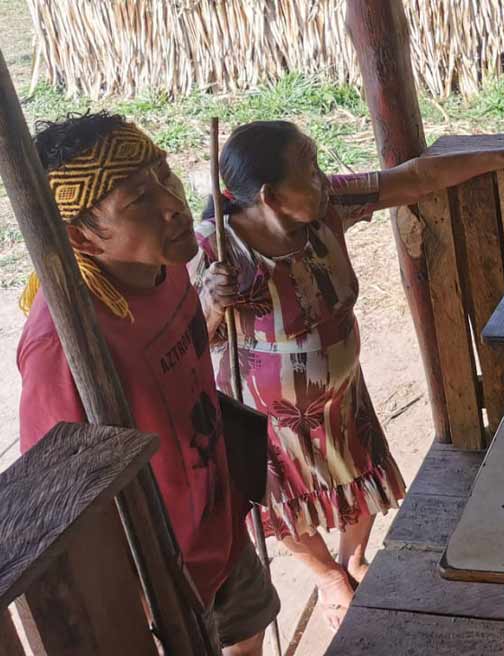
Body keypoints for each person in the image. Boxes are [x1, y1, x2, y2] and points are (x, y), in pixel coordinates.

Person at [189, 120, 504, 627]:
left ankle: (352, 559)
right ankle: (327, 576)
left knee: (359, 469)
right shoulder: (214, 247)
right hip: (268, 417)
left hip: (343, 395)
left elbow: (415, 178)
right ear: (271, 196)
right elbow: (193, 337)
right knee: (280, 499)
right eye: (310, 169)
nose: (324, 177)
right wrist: (212, 303)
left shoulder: (327, 206)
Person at [17, 113, 279, 654]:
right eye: (138, 199)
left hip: (218, 519)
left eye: (164, 173)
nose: (173, 203)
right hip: (162, 575)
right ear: (78, 237)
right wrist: (131, 605)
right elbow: (63, 502)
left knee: (248, 630)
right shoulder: (63, 348)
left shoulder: (166, 262)